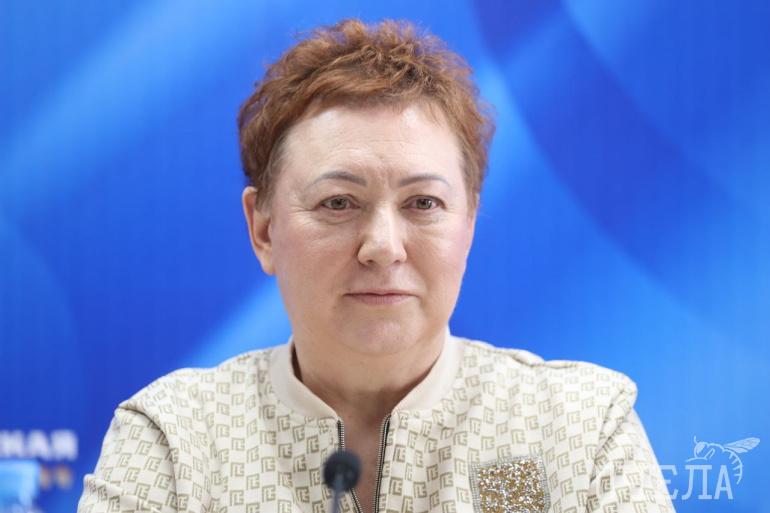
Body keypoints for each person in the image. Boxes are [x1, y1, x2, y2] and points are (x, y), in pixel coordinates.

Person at [78, 19, 674, 513]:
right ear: (263, 229)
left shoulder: (578, 427)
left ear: (468, 224)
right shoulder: (174, 439)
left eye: (423, 204)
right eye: (339, 203)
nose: (383, 246)